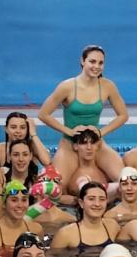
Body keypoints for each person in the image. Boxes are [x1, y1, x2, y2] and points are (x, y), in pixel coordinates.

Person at [38, 44, 127, 186]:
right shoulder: (67, 86)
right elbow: (43, 114)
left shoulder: (107, 86)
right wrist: (68, 131)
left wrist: (101, 132)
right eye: (92, 61)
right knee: (56, 188)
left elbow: (123, 115)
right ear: (82, 61)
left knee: (125, 181)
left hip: (96, 144)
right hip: (69, 145)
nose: (96, 66)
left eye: (100, 63)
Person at [0, 181, 44, 257]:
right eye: (14, 200)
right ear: (4, 204)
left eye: (24, 200)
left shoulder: (36, 230)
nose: (20, 205)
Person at [0, 112, 51, 185]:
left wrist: (33, 134)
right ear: (6, 129)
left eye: (22, 127)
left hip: (31, 189)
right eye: (13, 127)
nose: (18, 131)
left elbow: (47, 163)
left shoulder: (33, 146)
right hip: (8, 190)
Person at [50, 181, 120, 251]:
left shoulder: (112, 226)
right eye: (91, 199)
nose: (97, 204)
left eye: (102, 199)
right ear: (81, 203)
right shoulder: (66, 234)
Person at [65, 128, 108, 203]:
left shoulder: (106, 172)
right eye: (84, 143)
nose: (89, 147)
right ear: (75, 146)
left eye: (92, 143)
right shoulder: (74, 180)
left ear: (98, 146)